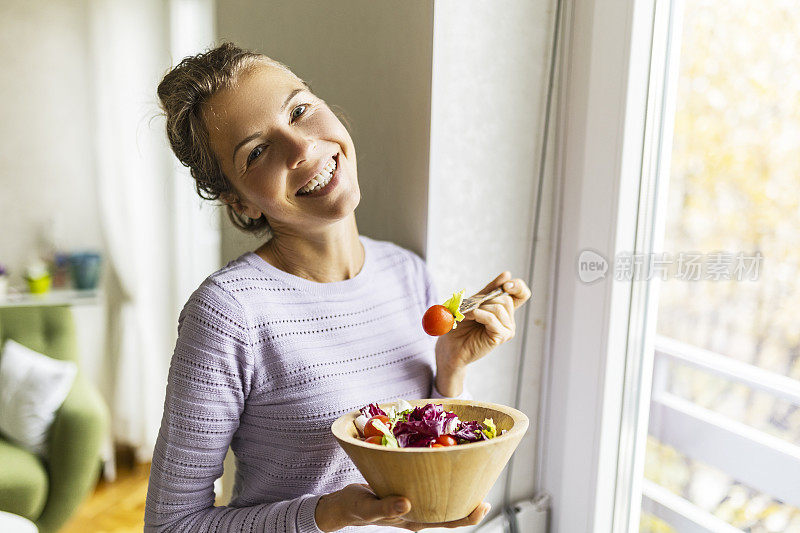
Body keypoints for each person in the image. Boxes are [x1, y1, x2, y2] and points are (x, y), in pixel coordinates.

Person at [144, 42, 532, 533]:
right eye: (258, 151)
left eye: (300, 110)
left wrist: (449, 371)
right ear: (240, 202)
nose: (303, 147)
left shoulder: (408, 272)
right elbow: (172, 525)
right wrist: (329, 514)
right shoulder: (227, 314)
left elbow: (417, 483)